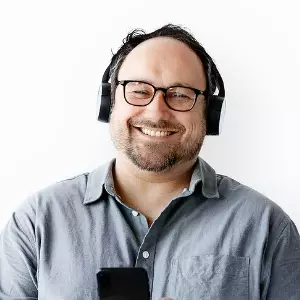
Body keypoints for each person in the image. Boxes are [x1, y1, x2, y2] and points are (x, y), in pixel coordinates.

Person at [0, 24, 299, 300]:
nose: (157, 112)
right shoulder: (36, 223)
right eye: (139, 90)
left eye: (180, 94)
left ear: (210, 115)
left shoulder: (267, 227)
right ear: (109, 103)